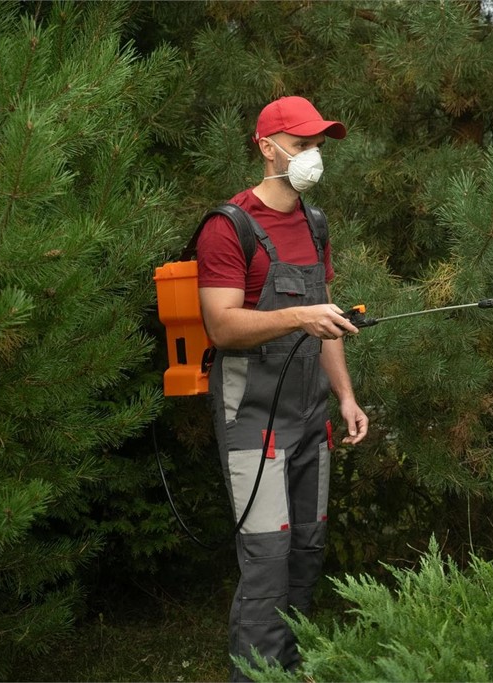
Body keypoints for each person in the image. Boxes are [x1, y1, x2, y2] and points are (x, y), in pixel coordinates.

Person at [196, 95, 368, 681]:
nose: (313, 157)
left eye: (318, 146)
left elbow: (328, 321)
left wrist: (344, 396)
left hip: (311, 420)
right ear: (267, 148)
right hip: (253, 423)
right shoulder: (230, 226)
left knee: (305, 556)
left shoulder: (316, 225)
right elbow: (221, 326)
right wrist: (299, 317)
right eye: (301, 146)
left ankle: (290, 673)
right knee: (267, 564)